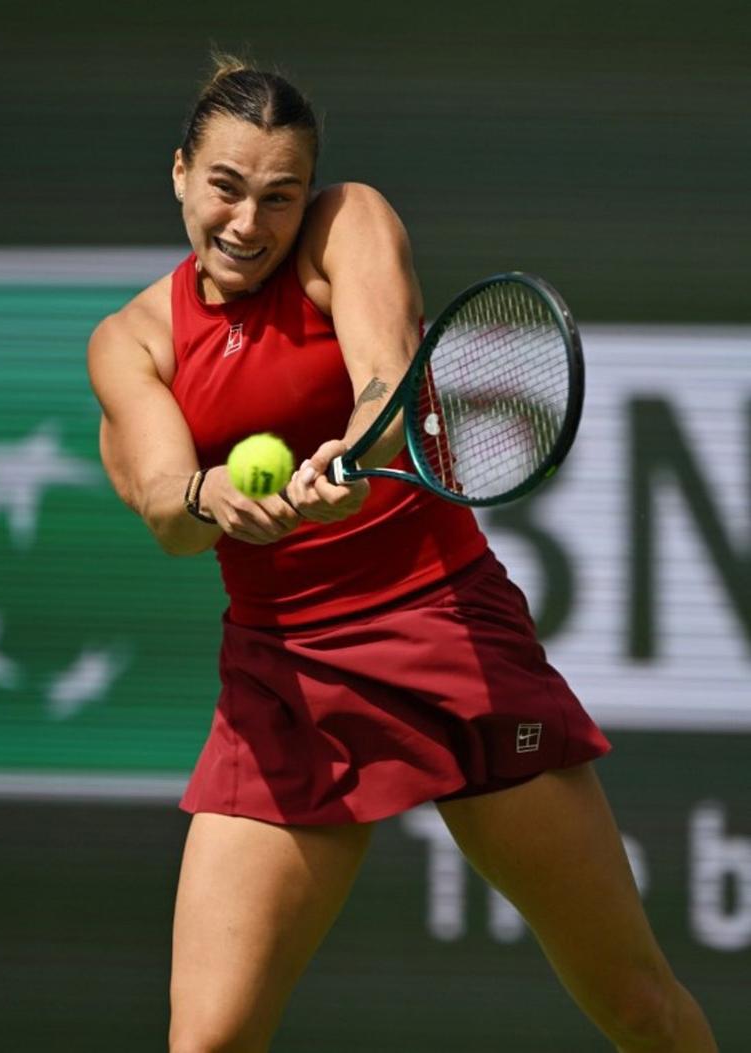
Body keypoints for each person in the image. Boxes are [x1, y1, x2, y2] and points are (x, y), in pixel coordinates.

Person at [87, 56, 718, 1053]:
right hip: (284, 674)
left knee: (636, 1003)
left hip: (443, 625)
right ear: (179, 174)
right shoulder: (131, 340)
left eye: (279, 197)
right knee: (206, 1041)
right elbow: (166, 505)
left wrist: (353, 451)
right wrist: (216, 496)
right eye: (225, 188)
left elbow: (384, 376)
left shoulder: (353, 223)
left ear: (310, 194)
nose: (249, 223)